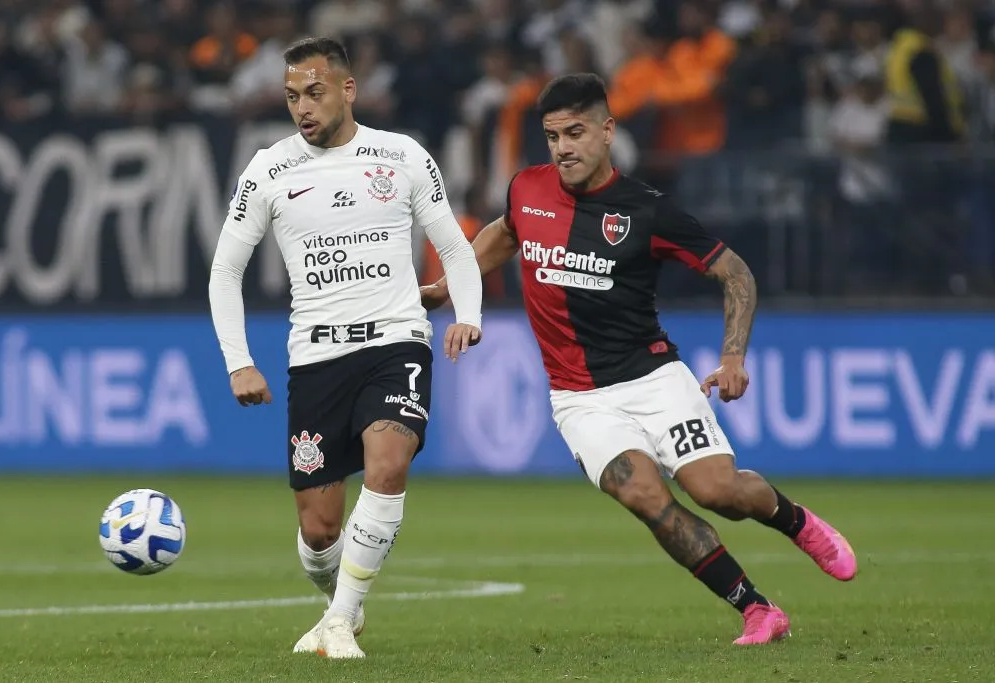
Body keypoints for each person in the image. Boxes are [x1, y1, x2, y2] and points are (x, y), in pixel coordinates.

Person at [421, 73, 856, 646]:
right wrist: (445, 287)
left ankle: (794, 521)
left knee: (716, 491)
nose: (563, 148)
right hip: (579, 398)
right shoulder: (527, 188)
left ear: (607, 131)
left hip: (653, 378)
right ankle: (757, 609)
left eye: (575, 133)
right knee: (648, 498)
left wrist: (732, 357)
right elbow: (505, 236)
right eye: (552, 136)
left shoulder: (648, 211)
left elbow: (735, 273)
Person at [209, 37, 483, 659]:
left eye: (314, 92)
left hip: (396, 341)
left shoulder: (402, 155)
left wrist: (468, 314)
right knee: (318, 532)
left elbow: (455, 244)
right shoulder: (269, 169)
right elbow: (225, 271)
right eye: (290, 97)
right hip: (315, 357)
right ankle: (341, 608)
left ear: (347, 89)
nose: (301, 107)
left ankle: (340, 619)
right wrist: (239, 360)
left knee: (388, 465)